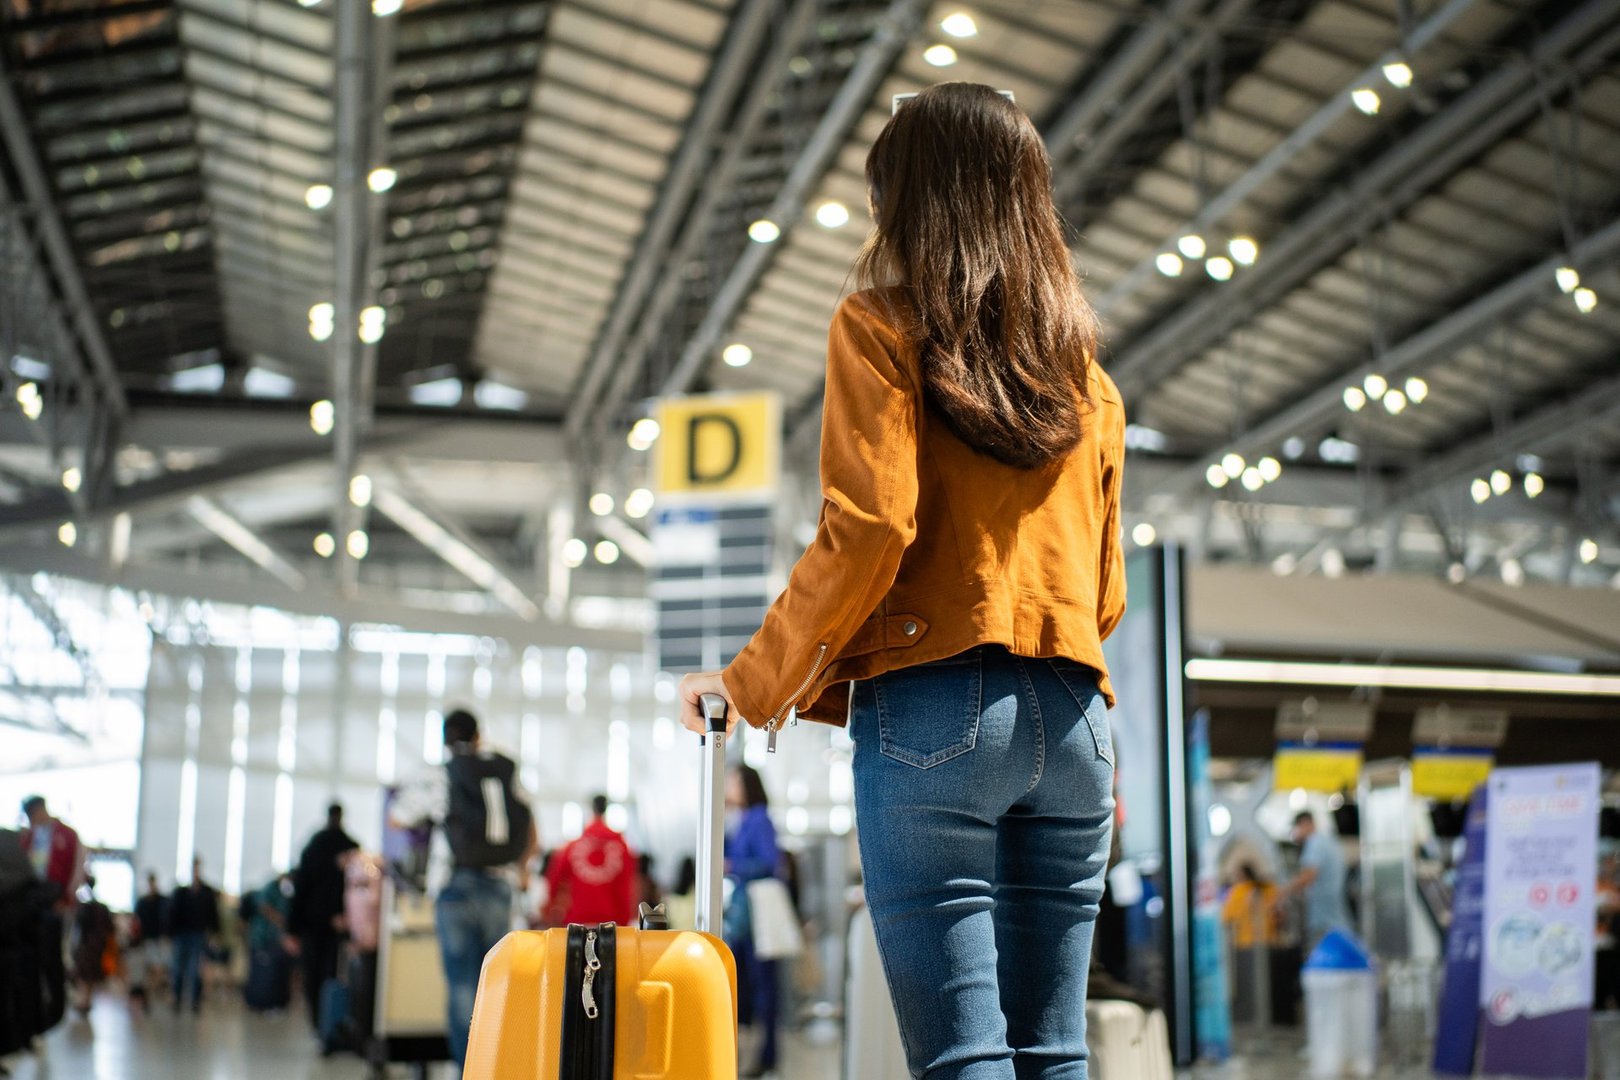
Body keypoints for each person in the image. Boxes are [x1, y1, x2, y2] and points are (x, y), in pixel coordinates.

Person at [678, 82, 1125, 1079]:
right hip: (1079, 717)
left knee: (965, 1058)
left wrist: (751, 680)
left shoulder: (880, 327)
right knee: (1057, 1049)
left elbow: (873, 525)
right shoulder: (1088, 380)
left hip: (937, 715)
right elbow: (1106, 593)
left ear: (909, 206)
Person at [392, 708, 539, 1070]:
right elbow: (531, 825)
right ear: (478, 736)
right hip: (500, 887)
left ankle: (468, 1069)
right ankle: (497, 1065)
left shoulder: (438, 774)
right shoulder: (505, 771)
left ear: (445, 739)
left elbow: (396, 817)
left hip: (455, 886)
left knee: (462, 985)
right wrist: (521, 870)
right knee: (498, 981)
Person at [724, 765, 784, 1078]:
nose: (728, 787)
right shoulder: (741, 819)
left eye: (732, 781)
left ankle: (767, 1054)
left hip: (758, 916)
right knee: (746, 985)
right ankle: (751, 1053)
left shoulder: (759, 818)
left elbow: (770, 863)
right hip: (744, 915)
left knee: (764, 988)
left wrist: (734, 866)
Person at [288, 803, 358, 1033]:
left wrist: (292, 928)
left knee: (314, 976)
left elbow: (302, 889)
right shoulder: (350, 847)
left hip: (313, 924)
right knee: (333, 975)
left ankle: (319, 1024)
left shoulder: (313, 847)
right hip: (338, 925)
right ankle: (331, 1026)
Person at [19, 796, 83, 1033]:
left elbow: (77, 868)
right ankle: (34, 1012)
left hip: (56, 904)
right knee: (31, 959)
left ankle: (56, 1010)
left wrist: (67, 898)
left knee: (53, 958)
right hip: (32, 905)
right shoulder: (28, 837)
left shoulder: (67, 835)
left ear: (41, 810)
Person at [544, 795, 637, 926]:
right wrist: (625, 920)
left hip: (577, 920)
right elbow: (627, 887)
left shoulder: (573, 845)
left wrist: (550, 910)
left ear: (591, 809)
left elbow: (554, 880)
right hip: (611, 922)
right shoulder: (621, 846)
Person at [1280, 811, 1351, 949]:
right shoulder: (1330, 842)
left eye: (1296, 828)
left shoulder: (1315, 843)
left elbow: (1308, 876)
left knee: (1321, 962)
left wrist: (1283, 891)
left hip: (1324, 919)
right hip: (1337, 916)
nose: (1295, 834)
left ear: (1305, 824)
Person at [167, 857, 219, 1013]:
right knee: (178, 968)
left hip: (198, 934)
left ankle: (195, 1000)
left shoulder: (206, 893)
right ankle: (177, 998)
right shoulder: (181, 892)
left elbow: (213, 915)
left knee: (195, 969)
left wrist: (214, 933)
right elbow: (172, 914)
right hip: (181, 934)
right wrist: (169, 933)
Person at [70, 876, 115, 1015]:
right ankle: (85, 1000)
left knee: (84, 975)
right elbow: (110, 928)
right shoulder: (102, 908)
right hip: (98, 947)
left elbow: (78, 929)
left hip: (87, 947)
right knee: (90, 975)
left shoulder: (84, 908)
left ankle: (83, 1001)